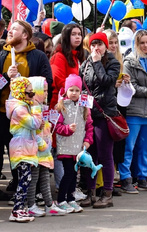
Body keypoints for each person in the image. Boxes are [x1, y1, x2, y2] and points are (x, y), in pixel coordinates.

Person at [0, 20, 52, 201]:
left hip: (24, 117)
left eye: (14, 29)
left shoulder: (38, 56)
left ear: (25, 35)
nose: (10, 32)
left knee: (22, 154)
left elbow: (47, 82)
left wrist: (25, 84)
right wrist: (6, 76)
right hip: (2, 112)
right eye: (9, 29)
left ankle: (25, 191)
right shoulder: (0, 56)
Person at [79, 32, 121, 208]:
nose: (97, 48)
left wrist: (97, 63)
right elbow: (83, 84)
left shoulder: (113, 63)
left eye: (100, 45)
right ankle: (90, 192)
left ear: (105, 47)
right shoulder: (85, 64)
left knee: (105, 155)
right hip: (89, 114)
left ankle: (107, 193)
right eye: (94, 44)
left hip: (105, 113)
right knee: (89, 155)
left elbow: (106, 81)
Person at [120, 30, 147, 193]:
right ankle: (125, 178)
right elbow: (132, 88)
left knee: (146, 148)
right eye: (142, 43)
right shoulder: (129, 62)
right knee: (129, 148)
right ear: (136, 44)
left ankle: (143, 177)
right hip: (135, 111)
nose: (145, 46)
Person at [5, 77, 44, 223]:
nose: (32, 96)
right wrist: (36, 110)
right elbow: (34, 123)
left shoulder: (24, 106)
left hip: (25, 145)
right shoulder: (20, 109)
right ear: (21, 92)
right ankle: (17, 209)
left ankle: (21, 207)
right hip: (21, 147)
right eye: (30, 93)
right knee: (25, 178)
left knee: (25, 178)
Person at [54, 75, 93, 214]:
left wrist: (88, 141)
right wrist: (67, 129)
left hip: (78, 148)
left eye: (77, 90)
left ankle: (70, 198)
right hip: (65, 147)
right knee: (69, 173)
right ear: (66, 91)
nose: (74, 93)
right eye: (71, 90)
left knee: (74, 173)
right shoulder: (61, 107)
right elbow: (57, 127)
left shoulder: (84, 108)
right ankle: (61, 199)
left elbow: (89, 126)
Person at [25, 77, 60, 216]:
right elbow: (33, 129)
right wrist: (42, 143)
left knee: (45, 175)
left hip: (44, 147)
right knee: (34, 177)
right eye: (43, 90)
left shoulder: (42, 107)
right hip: (37, 147)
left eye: (47, 91)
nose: (46, 93)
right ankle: (31, 204)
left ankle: (49, 204)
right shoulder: (33, 108)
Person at [49, 23, 85, 109]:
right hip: (61, 102)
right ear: (66, 37)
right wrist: (74, 92)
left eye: (79, 34)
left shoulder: (78, 56)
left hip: (75, 101)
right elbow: (59, 81)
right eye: (73, 34)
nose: (77, 37)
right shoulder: (59, 56)